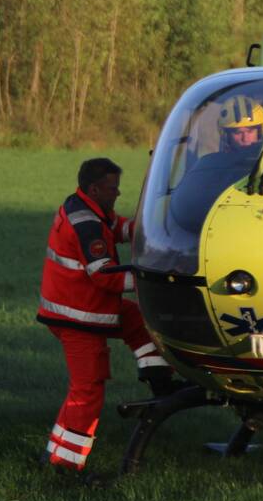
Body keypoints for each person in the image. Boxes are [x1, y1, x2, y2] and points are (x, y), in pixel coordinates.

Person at [37, 158, 175, 479]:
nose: (118, 193)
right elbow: (105, 277)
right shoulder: (86, 223)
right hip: (80, 318)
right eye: (113, 188)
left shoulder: (87, 207)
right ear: (95, 189)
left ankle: (160, 381)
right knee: (88, 390)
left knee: (138, 321)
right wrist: (154, 280)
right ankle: (64, 466)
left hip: (82, 308)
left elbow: (115, 227)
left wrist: (145, 227)